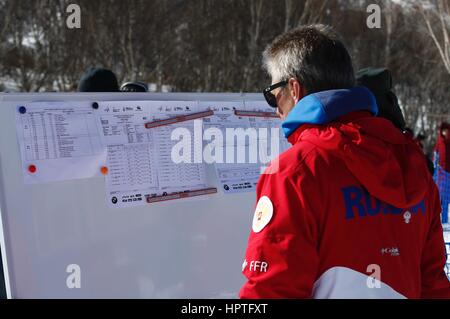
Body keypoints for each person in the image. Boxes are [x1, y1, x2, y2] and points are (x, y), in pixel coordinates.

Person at [240, 24, 450, 299]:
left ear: (294, 88)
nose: (275, 106)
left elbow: (271, 290)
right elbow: (433, 283)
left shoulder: (296, 171)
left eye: (273, 93)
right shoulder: (411, 161)